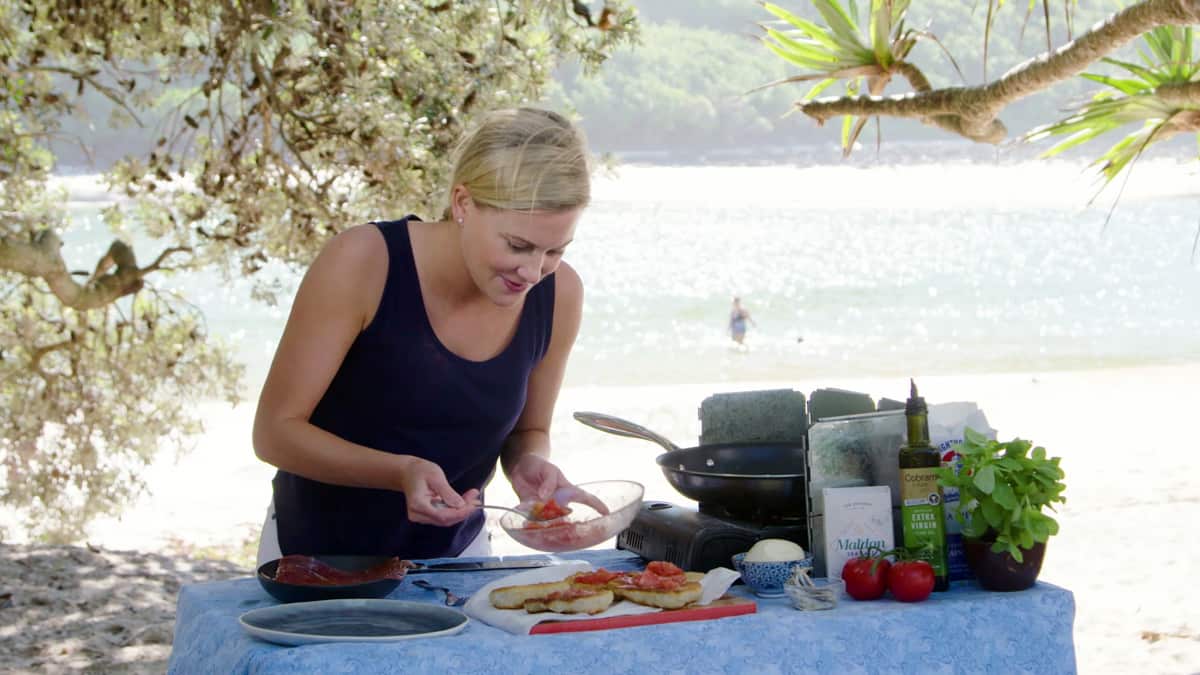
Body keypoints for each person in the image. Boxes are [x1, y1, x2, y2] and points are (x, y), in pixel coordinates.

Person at [252, 107, 600, 563]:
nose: (533, 272)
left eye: (555, 251)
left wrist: (528, 463)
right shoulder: (362, 262)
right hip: (315, 559)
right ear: (462, 203)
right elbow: (274, 434)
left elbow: (530, 430)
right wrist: (399, 472)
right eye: (518, 246)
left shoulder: (560, 294)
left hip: (459, 557)